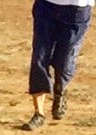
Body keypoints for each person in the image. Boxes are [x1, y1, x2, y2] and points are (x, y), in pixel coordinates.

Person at [22, 0, 92, 128]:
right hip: (47, 5)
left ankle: (61, 89)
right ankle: (39, 113)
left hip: (77, 9)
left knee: (65, 61)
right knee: (40, 57)